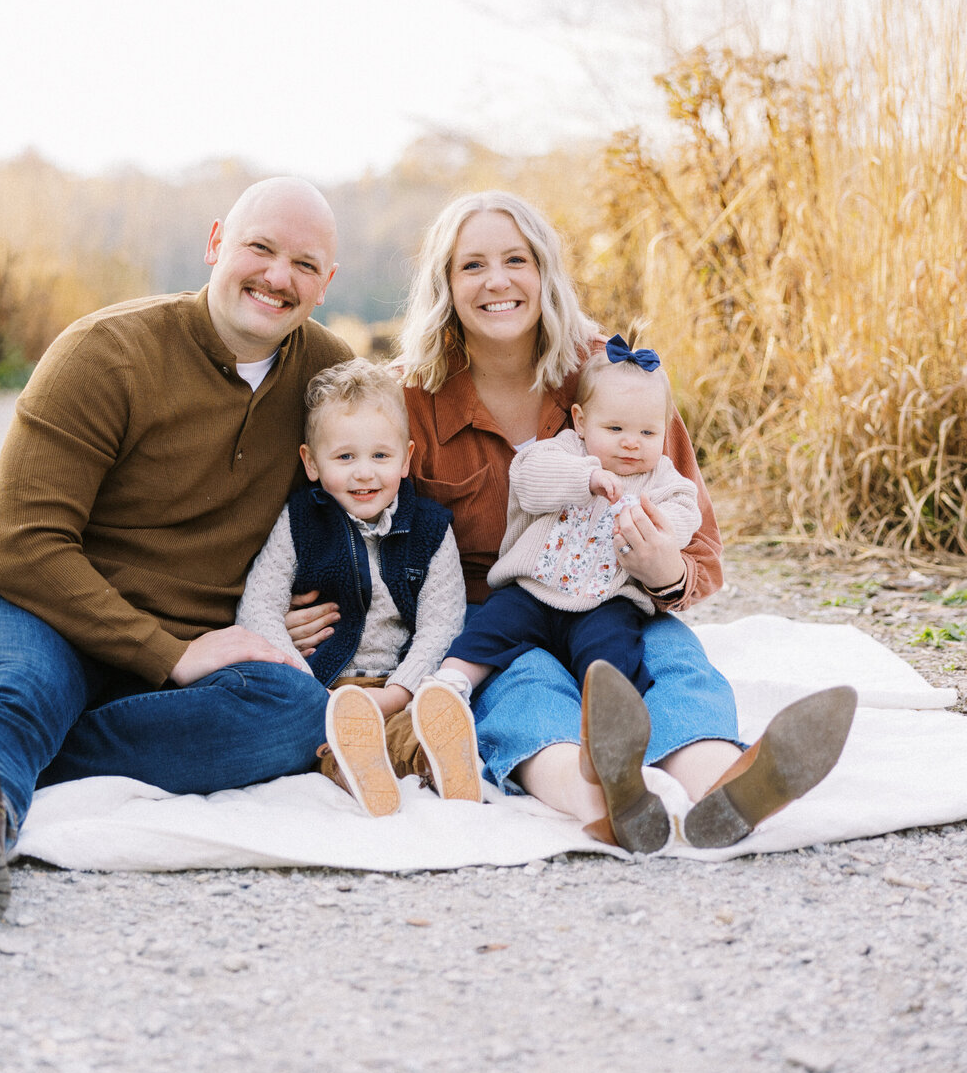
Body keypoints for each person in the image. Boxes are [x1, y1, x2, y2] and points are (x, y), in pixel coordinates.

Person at [285, 191, 855, 856]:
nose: (496, 281)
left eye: (515, 260)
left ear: (544, 271)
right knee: (525, 691)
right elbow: (347, 508)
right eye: (472, 265)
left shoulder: (617, 380)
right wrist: (324, 604)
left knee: (674, 663)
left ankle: (723, 790)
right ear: (445, 284)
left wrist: (667, 574)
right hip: (497, 619)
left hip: (620, 599)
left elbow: (698, 549)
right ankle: (607, 804)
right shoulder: (408, 397)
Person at [0, 177, 353, 932]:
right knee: (24, 689)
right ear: (215, 244)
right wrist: (167, 654)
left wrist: (302, 603)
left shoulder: (328, 377)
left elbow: (375, 492)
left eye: (304, 264)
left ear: (326, 284)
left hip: (196, 635)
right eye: (259, 248)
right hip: (39, 607)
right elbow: (24, 548)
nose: (277, 276)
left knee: (296, 711)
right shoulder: (106, 352)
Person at [236, 358, 479, 816]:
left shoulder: (429, 528)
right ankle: (359, 768)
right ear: (311, 462)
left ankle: (441, 758)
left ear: (407, 459)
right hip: (317, 686)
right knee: (321, 733)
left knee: (411, 728)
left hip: (396, 684)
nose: (364, 473)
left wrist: (399, 693)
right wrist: (306, 687)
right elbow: (258, 610)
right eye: (345, 457)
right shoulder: (302, 521)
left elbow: (443, 622)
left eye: (380, 457)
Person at [436, 336, 702, 701]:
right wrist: (585, 478)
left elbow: (686, 508)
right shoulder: (565, 451)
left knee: (613, 650)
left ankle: (610, 711)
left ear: (664, 429)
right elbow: (527, 476)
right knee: (488, 629)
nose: (631, 443)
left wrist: (656, 527)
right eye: (615, 429)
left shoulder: (662, 478)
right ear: (580, 421)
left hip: (605, 603)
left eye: (647, 432)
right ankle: (449, 686)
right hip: (531, 590)